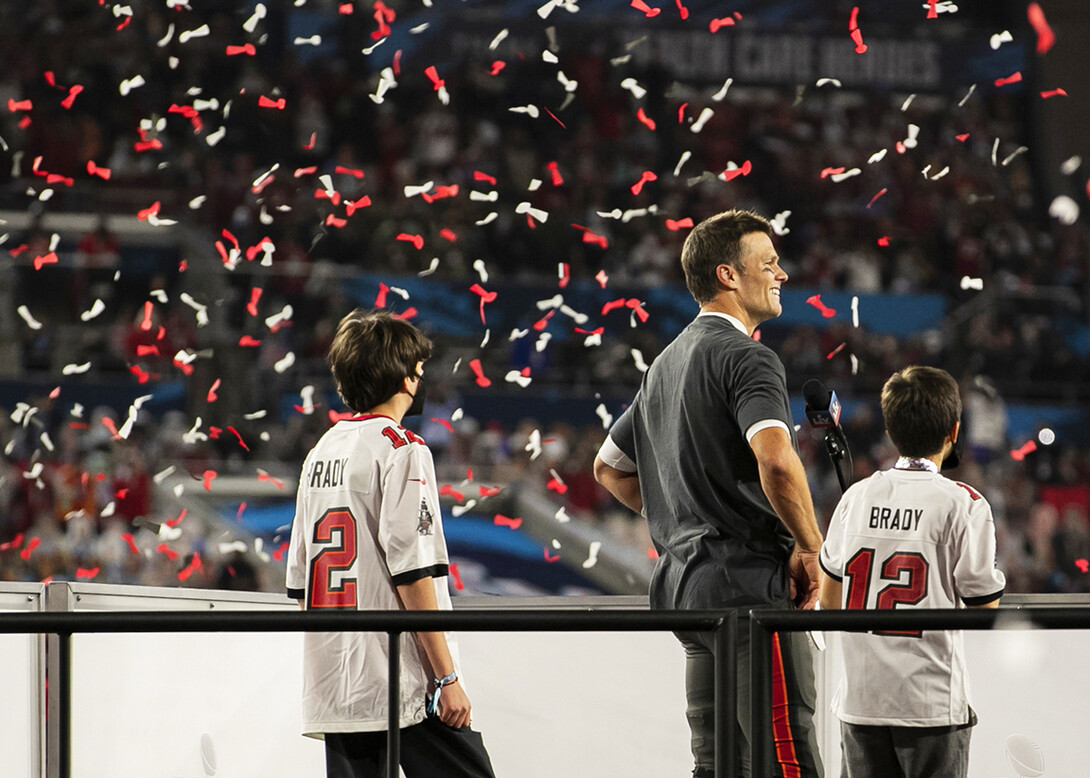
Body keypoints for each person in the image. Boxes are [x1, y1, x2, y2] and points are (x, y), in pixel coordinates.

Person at [593, 209, 825, 778]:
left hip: (686, 593)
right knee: (786, 760)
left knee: (720, 767)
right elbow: (776, 459)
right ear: (728, 275)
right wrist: (810, 547)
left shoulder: (664, 365)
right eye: (768, 263)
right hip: (749, 590)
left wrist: (683, 511)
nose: (782, 274)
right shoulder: (748, 356)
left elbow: (608, 468)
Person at [285, 309, 495, 778]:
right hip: (398, 677)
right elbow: (413, 572)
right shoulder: (402, 448)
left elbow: (299, 587)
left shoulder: (321, 451)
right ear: (406, 377)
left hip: (335, 679)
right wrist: (447, 677)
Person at [818, 365, 1006, 778]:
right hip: (931, 703)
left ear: (890, 430)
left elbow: (829, 602)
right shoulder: (965, 504)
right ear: (954, 431)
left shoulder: (856, 497)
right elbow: (984, 611)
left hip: (861, 701)